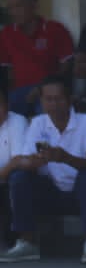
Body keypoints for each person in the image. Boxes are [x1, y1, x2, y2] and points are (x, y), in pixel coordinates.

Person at [0, 76, 86, 262]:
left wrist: (64, 157)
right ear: (41, 101)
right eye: (48, 99)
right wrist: (38, 160)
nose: (53, 104)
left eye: (58, 98)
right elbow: (27, 158)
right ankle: (27, 242)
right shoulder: (38, 123)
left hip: (82, 192)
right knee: (20, 177)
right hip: (53, 191)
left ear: (69, 99)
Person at [0, 0, 74, 111]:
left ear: (34, 5)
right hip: (18, 93)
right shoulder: (6, 34)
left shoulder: (55, 29)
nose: (13, 12)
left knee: (48, 108)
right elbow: (5, 73)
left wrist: (43, 88)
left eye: (18, 6)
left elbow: (67, 66)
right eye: (10, 8)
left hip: (50, 90)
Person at [0, 86, 30, 248]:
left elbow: (18, 159)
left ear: (6, 105)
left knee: (18, 179)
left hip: (8, 182)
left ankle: (16, 239)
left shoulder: (17, 121)